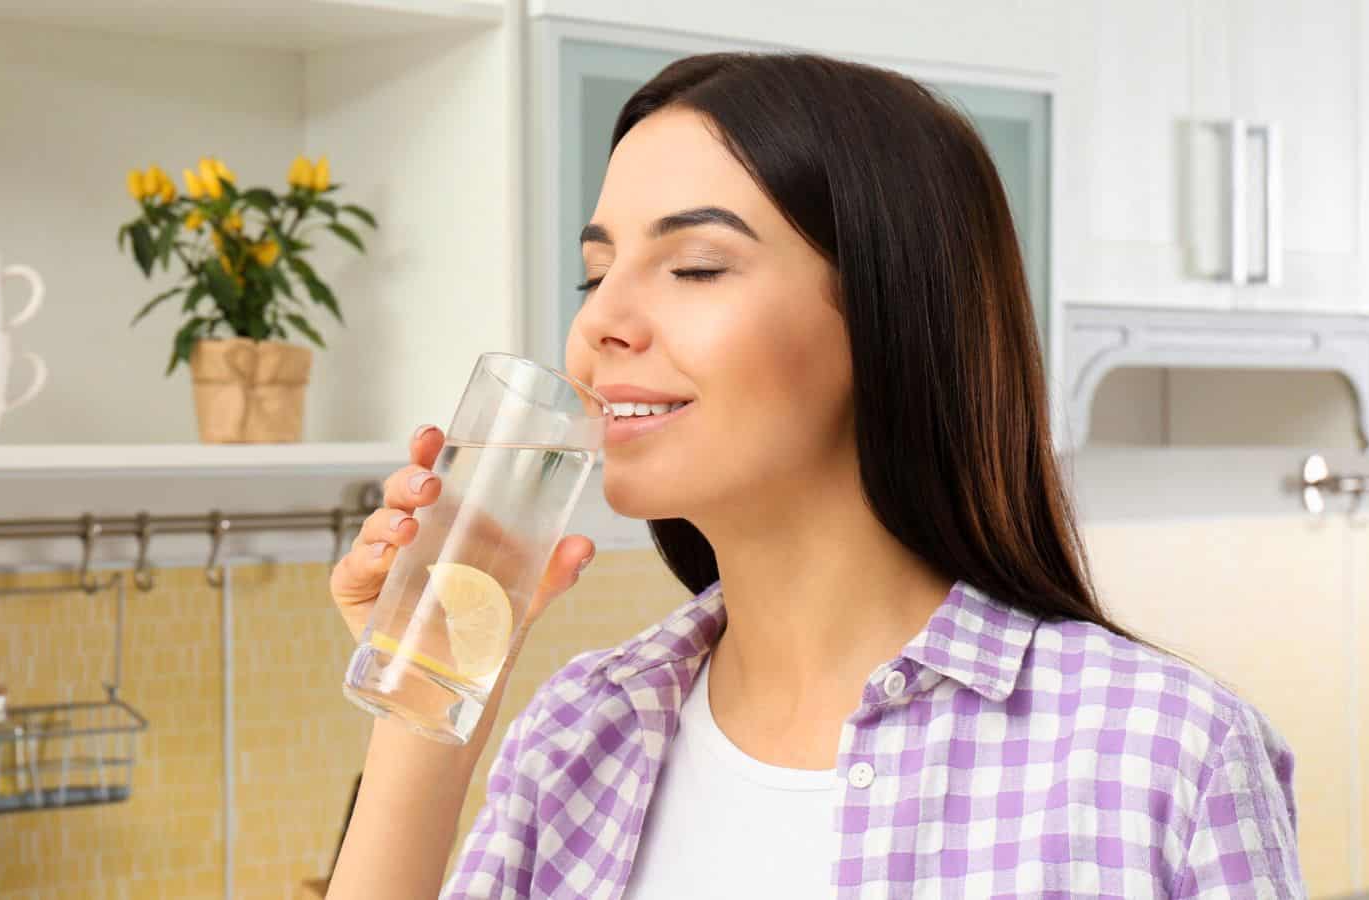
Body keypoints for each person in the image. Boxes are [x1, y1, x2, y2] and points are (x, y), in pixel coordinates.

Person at [327, 52, 1302, 899]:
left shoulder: (1164, 755)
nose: (598, 324)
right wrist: (431, 675)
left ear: (889, 316)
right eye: (596, 271)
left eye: (696, 267)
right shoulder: (581, 735)